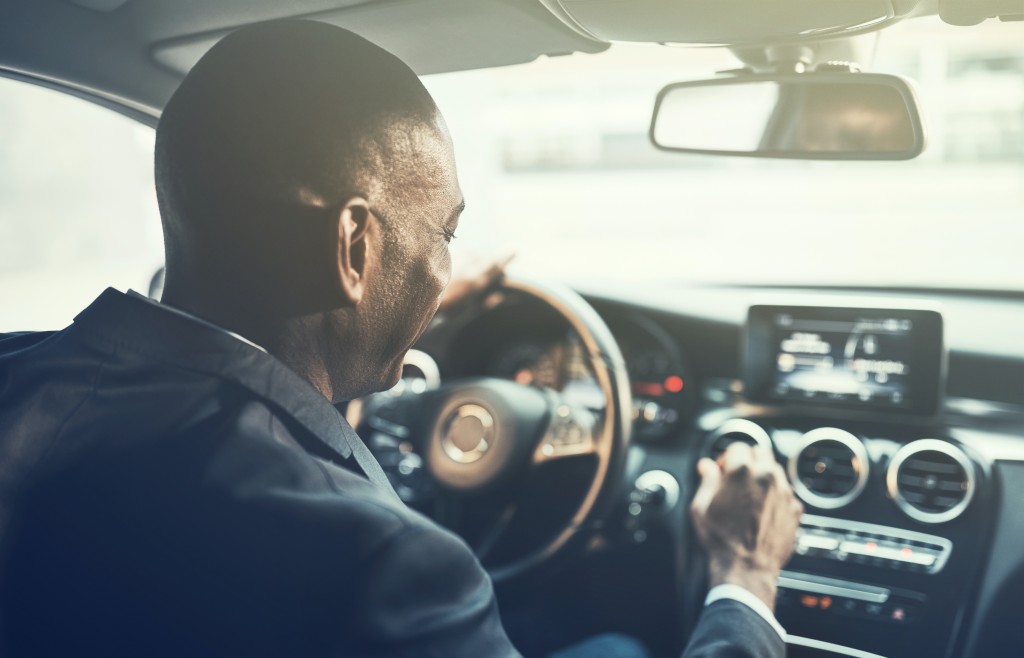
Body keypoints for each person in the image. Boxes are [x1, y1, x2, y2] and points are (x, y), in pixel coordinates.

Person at [0, 20, 802, 658]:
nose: (441, 267)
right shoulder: (384, 566)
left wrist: (375, 304)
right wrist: (744, 577)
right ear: (355, 246)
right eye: (443, 233)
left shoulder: (19, 378)